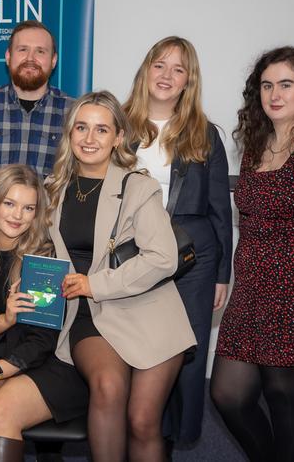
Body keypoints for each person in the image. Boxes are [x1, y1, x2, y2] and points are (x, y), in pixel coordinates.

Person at [210, 46, 294, 462]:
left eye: (285, 84)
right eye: (267, 85)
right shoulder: (257, 147)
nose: (274, 94)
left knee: (284, 398)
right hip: (252, 292)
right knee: (227, 395)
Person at [45, 91, 196, 461]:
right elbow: (38, 253)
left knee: (143, 421)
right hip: (87, 314)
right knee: (109, 387)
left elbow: (162, 258)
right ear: (69, 134)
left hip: (148, 311)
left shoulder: (138, 186)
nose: (90, 138)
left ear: (117, 137)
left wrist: (94, 284)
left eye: (101, 129)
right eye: (81, 127)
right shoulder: (51, 189)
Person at [122, 36, 233, 449]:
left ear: (189, 81)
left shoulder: (205, 134)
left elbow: (221, 209)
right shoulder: (119, 126)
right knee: (138, 344)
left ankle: (175, 437)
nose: (167, 75)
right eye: (160, 65)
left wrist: (222, 273)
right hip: (133, 255)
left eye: (178, 69)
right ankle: (145, 425)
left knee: (187, 348)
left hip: (194, 257)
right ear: (145, 70)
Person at [0, 164, 82, 462]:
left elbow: (42, 342)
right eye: (9, 203)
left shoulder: (43, 258)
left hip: (51, 364)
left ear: (37, 214)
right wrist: (4, 321)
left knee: (1, 411)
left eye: (28, 208)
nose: (17, 216)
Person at [0, 20, 72, 218]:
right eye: (22, 50)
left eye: (40, 51)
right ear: (8, 56)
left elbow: (76, 180)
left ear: (53, 60)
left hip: (50, 236)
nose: (31, 58)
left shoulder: (73, 112)